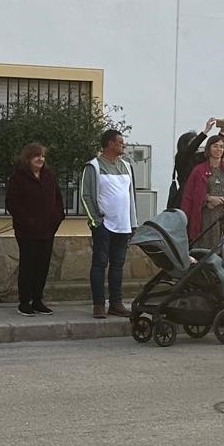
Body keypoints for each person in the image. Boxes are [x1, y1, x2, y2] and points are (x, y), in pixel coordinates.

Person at [83, 128, 138, 319]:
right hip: (104, 225)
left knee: (118, 265)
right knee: (99, 263)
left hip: (123, 225)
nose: (123, 145)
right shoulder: (93, 166)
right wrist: (96, 221)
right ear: (110, 144)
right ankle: (99, 304)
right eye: (120, 142)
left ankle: (116, 303)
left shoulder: (126, 166)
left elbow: (131, 196)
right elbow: (86, 195)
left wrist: (133, 223)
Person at [5, 142, 65, 316]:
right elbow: (12, 203)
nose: (41, 159)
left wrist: (57, 218)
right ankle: (24, 302)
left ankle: (37, 300)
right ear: (28, 158)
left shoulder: (48, 176)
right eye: (37, 156)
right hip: (27, 232)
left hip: (47, 230)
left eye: (43, 156)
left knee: (42, 266)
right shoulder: (18, 177)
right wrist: (28, 221)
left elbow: (58, 199)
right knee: (28, 265)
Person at [180, 134, 224, 248]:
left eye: (221, 146)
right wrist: (207, 198)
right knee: (204, 249)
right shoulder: (198, 170)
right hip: (205, 217)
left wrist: (223, 199)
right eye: (215, 146)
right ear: (208, 148)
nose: (218, 149)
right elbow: (190, 195)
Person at [167, 118, 220, 212]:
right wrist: (205, 131)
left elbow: (214, 150)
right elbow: (190, 150)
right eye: (193, 141)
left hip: (198, 195)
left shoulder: (198, 157)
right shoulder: (181, 157)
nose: (197, 145)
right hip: (185, 197)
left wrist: (222, 133)